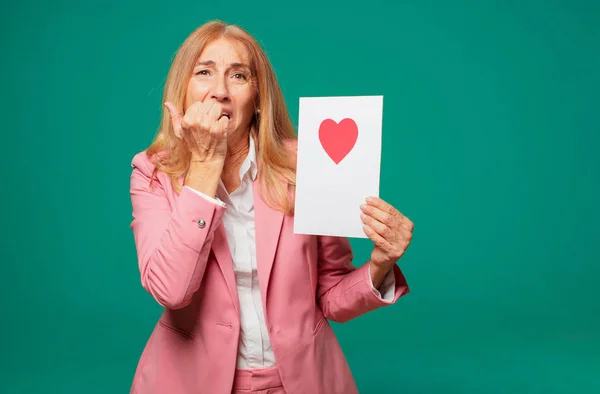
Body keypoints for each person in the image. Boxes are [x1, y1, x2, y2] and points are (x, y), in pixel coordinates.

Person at [128, 20, 414, 394]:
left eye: (238, 76)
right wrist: (203, 166)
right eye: (204, 73)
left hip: (301, 381)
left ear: (259, 97)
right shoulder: (152, 173)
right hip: (194, 382)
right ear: (182, 91)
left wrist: (380, 264)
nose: (219, 92)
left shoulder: (306, 165)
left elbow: (330, 296)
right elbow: (171, 291)